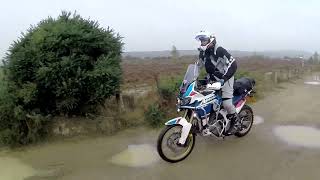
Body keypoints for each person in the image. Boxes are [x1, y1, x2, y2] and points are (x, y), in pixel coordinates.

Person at [195, 30, 240, 135]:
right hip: (212, 79)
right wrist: (192, 78)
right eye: (201, 40)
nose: (202, 43)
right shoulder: (203, 52)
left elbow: (233, 64)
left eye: (204, 40)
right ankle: (212, 122)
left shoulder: (219, 50)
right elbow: (198, 66)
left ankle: (235, 122)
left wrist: (224, 78)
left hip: (226, 78)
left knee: (227, 103)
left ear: (211, 40)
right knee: (207, 100)